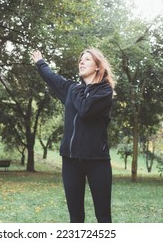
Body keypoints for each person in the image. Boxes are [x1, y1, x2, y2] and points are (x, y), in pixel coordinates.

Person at [32, 48, 115, 223]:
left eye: (87, 59)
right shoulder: (73, 89)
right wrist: (40, 63)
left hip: (97, 161)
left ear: (98, 67)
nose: (81, 62)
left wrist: (77, 89)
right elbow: (53, 78)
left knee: (103, 216)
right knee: (75, 218)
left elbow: (86, 110)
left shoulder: (104, 91)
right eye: (80, 59)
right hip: (70, 161)